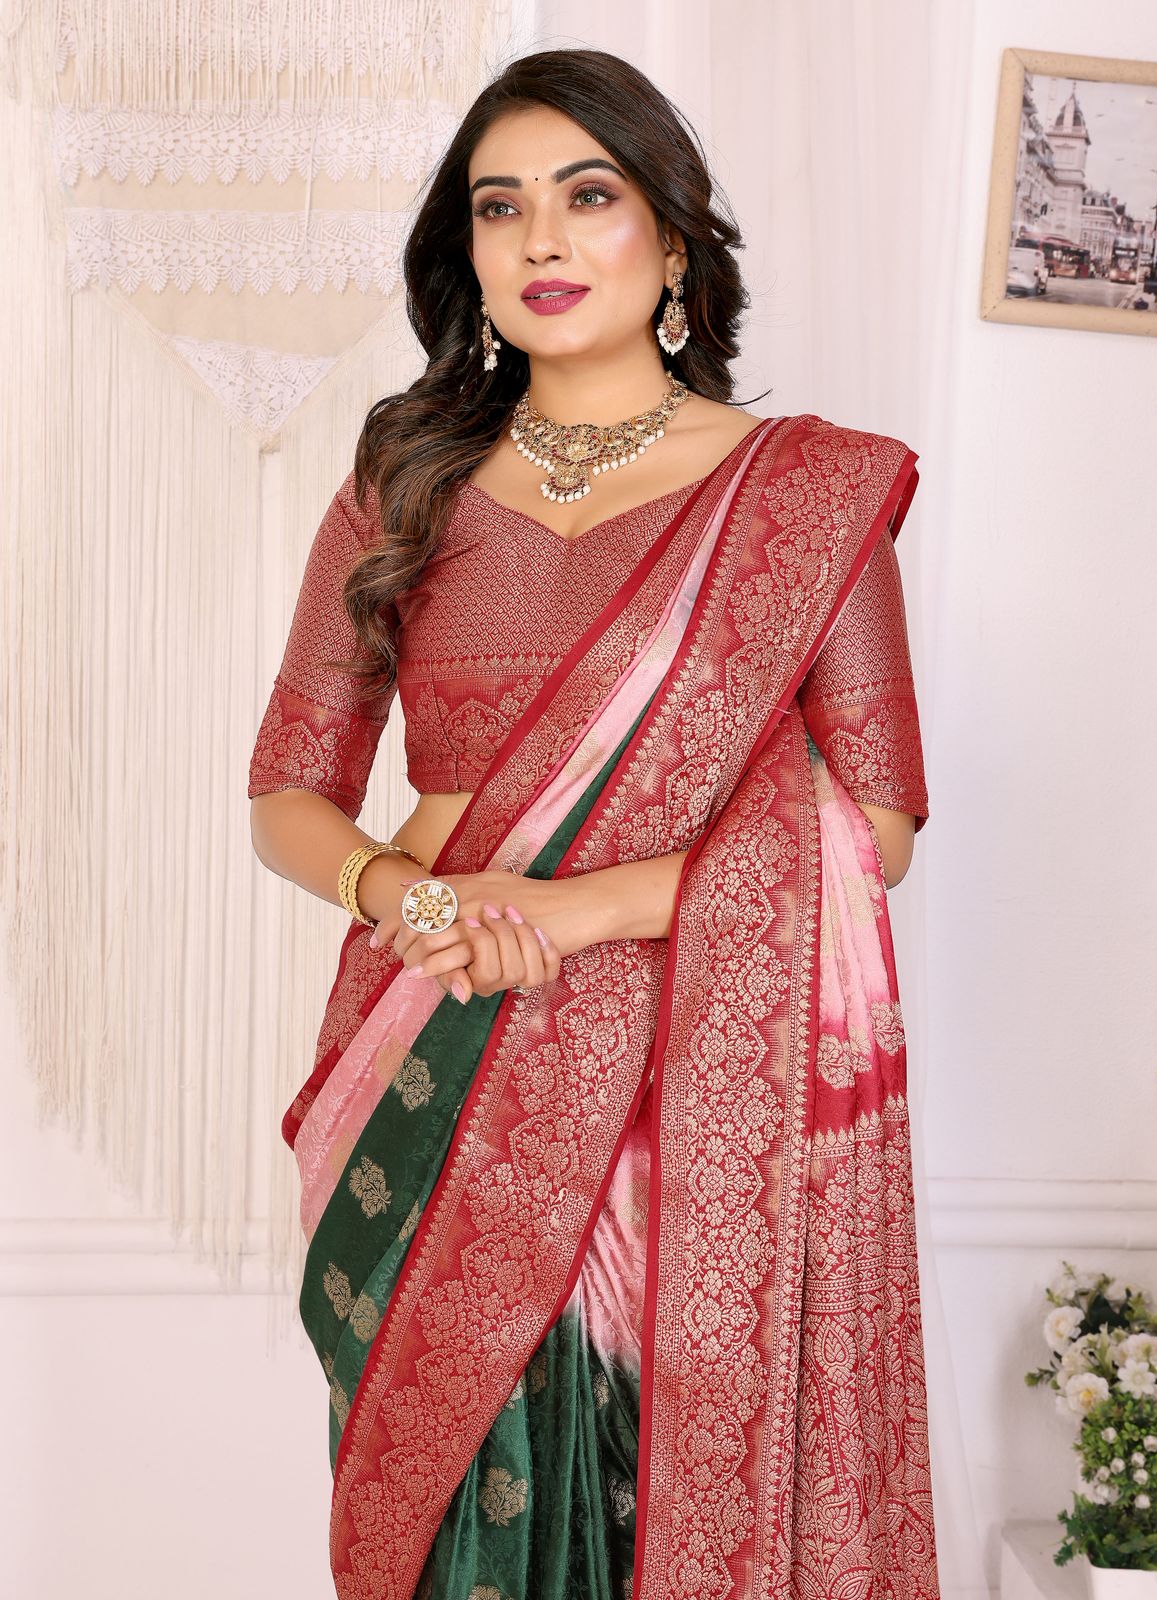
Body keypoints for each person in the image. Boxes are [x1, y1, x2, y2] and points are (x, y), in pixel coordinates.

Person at [248, 45, 936, 1600]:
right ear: (468, 255)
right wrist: (399, 898)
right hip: (432, 1041)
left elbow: (872, 832)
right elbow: (286, 792)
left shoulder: (803, 500)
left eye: (589, 197)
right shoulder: (404, 482)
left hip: (687, 1076)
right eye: (501, 210)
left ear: (674, 247)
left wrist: (572, 910)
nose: (542, 242)